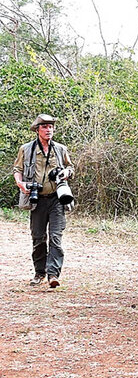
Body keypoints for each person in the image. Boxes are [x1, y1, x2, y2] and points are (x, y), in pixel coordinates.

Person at [13, 114, 74, 288]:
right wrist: (20, 183)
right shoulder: (26, 149)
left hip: (56, 199)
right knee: (38, 238)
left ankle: (53, 274)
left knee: (56, 237)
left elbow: (71, 167)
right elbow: (17, 169)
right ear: (37, 130)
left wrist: (67, 173)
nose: (48, 130)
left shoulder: (61, 149)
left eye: (51, 127)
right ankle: (39, 272)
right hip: (36, 199)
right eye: (45, 127)